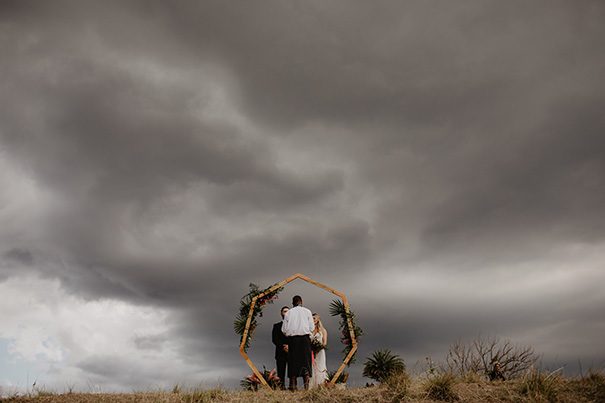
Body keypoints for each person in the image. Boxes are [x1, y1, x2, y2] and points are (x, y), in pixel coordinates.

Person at [281, 295, 314, 390]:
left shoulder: (288, 313)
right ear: (301, 302)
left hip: (293, 340)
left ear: (293, 303)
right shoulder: (307, 311)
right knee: (306, 362)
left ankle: (293, 387)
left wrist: (289, 334)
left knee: (293, 362)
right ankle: (306, 387)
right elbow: (312, 327)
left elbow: (284, 329)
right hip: (305, 340)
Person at [272, 306, 290, 389]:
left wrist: (290, 346)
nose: (286, 313)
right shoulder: (276, 326)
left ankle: (292, 387)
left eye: (288, 311)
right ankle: (281, 387)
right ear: (281, 313)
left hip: (291, 351)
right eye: (284, 311)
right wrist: (283, 346)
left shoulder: (294, 326)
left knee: (292, 371)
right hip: (280, 352)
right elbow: (274, 339)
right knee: (281, 371)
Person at [309, 313, 328, 388]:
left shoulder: (323, 330)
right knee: (311, 367)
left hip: (320, 352)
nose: (312, 320)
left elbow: (325, 343)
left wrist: (318, 348)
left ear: (318, 320)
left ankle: (321, 385)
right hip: (310, 352)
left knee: (320, 367)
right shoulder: (309, 330)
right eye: (311, 318)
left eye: (314, 318)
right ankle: (311, 386)